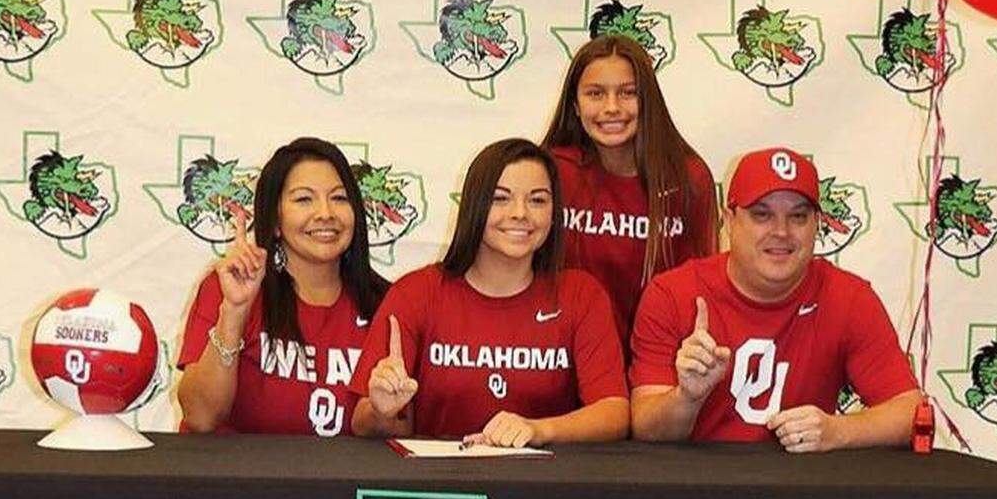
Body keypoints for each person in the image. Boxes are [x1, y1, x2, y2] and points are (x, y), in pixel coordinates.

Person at [629, 147, 921, 451]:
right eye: (762, 215)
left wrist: (838, 431)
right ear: (729, 220)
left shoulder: (848, 298)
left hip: (801, 490)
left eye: (798, 216)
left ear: (816, 224)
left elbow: (911, 412)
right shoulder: (673, 294)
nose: (781, 232)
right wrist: (687, 397)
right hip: (696, 489)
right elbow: (646, 428)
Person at [350, 138, 628, 447]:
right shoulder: (416, 292)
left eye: (537, 200)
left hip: (545, 487)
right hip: (436, 485)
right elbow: (362, 420)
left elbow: (613, 412)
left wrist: (538, 430)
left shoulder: (580, 294)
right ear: (474, 204)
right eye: (500, 198)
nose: (520, 213)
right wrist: (382, 411)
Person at [177, 137, 387, 436]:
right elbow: (201, 417)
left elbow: (399, 430)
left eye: (339, 198)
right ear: (275, 219)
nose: (325, 213)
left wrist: (385, 410)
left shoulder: (389, 304)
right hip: (239, 480)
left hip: (344, 482)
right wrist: (234, 313)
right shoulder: (230, 287)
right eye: (304, 199)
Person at [542, 34, 719, 347]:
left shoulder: (688, 177)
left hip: (657, 361)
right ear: (575, 104)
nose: (611, 107)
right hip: (564, 357)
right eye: (595, 94)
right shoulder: (552, 171)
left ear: (648, 101)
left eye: (628, 93)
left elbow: (703, 284)